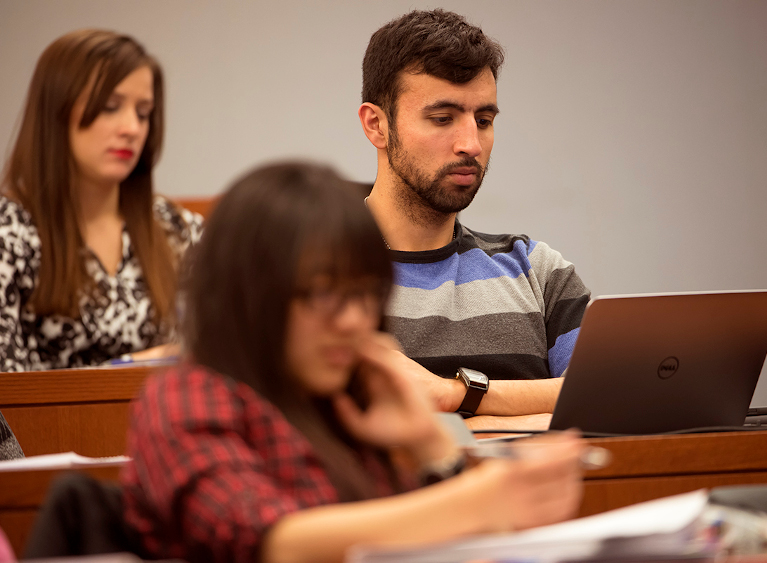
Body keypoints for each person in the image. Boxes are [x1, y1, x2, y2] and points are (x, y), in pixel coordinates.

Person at [121, 162, 585, 563]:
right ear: (252, 293)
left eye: (366, 295)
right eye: (324, 293)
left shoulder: (348, 403)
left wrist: (429, 445)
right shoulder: (186, 398)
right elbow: (272, 543)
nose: (354, 320)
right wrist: (479, 499)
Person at [358, 10, 591, 430]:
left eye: (483, 121)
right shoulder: (311, 276)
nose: (470, 144)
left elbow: (606, 397)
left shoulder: (539, 271)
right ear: (377, 125)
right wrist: (531, 413)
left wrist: (456, 395)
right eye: (442, 119)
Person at [0, 29, 203, 372]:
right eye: (110, 107)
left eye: (143, 113)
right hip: (46, 426)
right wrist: (124, 368)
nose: (132, 129)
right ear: (56, 113)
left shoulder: (178, 229)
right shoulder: (11, 233)